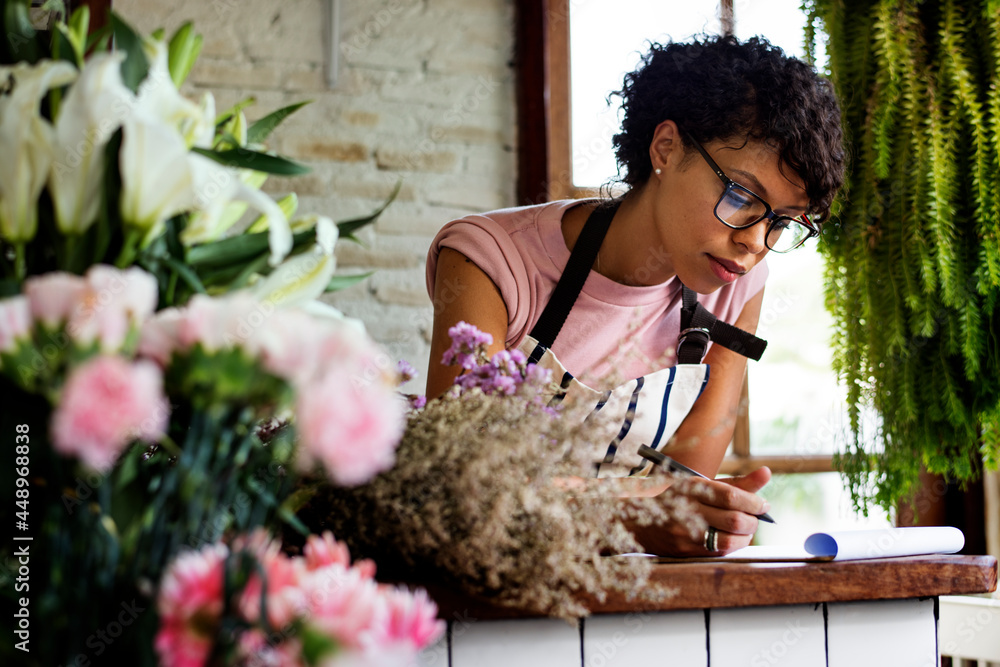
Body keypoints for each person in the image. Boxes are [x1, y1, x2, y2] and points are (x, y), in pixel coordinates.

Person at [424, 35, 845, 556]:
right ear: (666, 147)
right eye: (741, 196)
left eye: (781, 223)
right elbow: (458, 489)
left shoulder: (738, 283)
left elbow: (683, 491)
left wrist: (684, 514)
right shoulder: (487, 259)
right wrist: (628, 514)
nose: (756, 242)